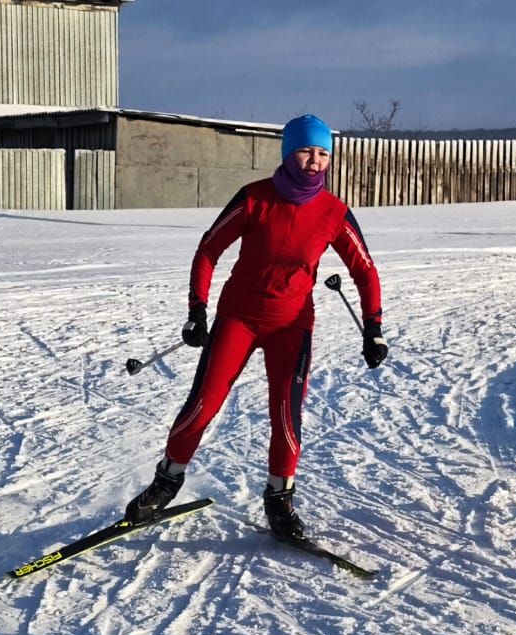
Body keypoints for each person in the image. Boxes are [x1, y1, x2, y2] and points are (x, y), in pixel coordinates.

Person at [124, 114, 388, 540]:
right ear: (288, 153)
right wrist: (197, 310)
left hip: (292, 326)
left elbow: (365, 269)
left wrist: (373, 327)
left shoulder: (334, 213)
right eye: (306, 151)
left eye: (323, 154)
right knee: (202, 405)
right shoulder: (254, 199)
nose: (314, 161)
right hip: (239, 319)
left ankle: (279, 500)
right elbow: (209, 250)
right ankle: (166, 481)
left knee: (286, 415)